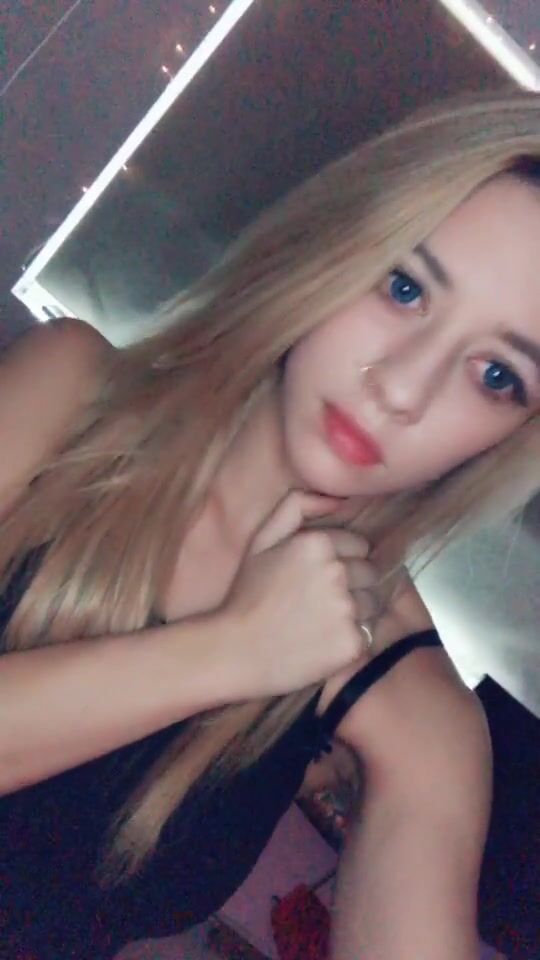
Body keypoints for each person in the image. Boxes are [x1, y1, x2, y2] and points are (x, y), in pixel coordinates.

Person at [1, 89, 539, 960]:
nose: (402, 388)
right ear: (335, 244)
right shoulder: (71, 397)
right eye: (404, 287)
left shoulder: (413, 712)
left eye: (496, 376)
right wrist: (236, 650)